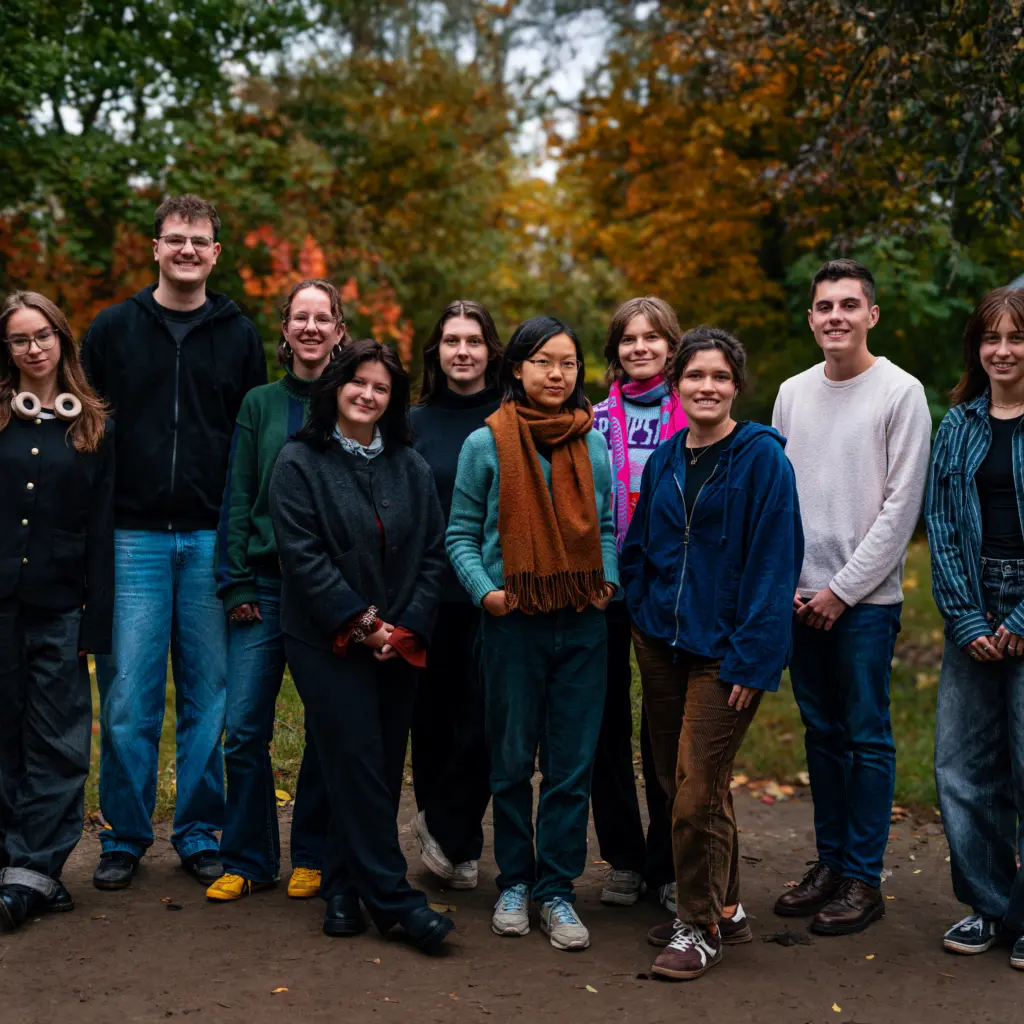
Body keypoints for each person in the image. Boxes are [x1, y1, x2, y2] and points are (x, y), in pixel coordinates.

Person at [82, 194, 268, 890]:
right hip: (131, 539)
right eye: (175, 238)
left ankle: (197, 832)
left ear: (216, 254)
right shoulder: (111, 330)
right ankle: (124, 837)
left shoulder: (239, 334)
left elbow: (250, 444)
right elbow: (87, 434)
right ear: (154, 247)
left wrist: (242, 538)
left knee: (208, 696)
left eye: (200, 240)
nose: (187, 249)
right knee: (129, 697)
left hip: (210, 537)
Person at [620, 326, 802, 980]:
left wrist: (755, 659)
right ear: (676, 385)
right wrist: (642, 611)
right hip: (663, 645)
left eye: (719, 377)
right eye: (695, 376)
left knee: (696, 791)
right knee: (682, 781)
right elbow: (638, 545)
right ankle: (726, 905)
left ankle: (697, 929)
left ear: (736, 386)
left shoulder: (762, 461)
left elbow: (774, 565)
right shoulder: (666, 458)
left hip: (725, 654)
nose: (706, 387)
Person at [269, 339, 453, 954]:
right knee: (354, 757)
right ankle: (396, 899)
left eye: (381, 388)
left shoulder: (410, 464)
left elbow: (432, 552)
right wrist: (363, 622)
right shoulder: (298, 461)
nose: (368, 395)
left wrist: (401, 629)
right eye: (358, 383)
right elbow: (303, 558)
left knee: (374, 764)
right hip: (326, 642)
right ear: (336, 387)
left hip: (400, 641)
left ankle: (344, 890)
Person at [447, 315, 618, 952]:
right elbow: (459, 534)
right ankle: (515, 882)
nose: (556, 373)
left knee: (571, 767)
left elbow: (605, 531)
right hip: (512, 625)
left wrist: (609, 582)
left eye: (568, 363)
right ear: (516, 368)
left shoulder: (592, 443)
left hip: (581, 624)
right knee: (512, 762)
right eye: (544, 361)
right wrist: (485, 592)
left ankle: (557, 890)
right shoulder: (484, 444)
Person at [772, 259, 931, 935]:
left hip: (865, 605)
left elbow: (900, 511)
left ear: (871, 314)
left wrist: (842, 591)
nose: (834, 316)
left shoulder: (901, 393)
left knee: (866, 736)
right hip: (798, 600)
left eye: (848, 305)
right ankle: (830, 864)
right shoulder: (791, 393)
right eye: (823, 306)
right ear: (810, 319)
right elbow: (778, 498)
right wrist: (790, 586)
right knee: (822, 735)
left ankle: (863, 879)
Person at [206, 279, 344, 903]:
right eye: (300, 318)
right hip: (261, 584)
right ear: (284, 330)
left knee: (325, 727)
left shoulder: (355, 400)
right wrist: (234, 580)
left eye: (323, 318)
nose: (311, 328)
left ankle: (312, 854)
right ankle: (249, 856)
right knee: (243, 728)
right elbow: (237, 497)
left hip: (326, 592)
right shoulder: (260, 404)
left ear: (339, 331)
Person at [0, 292, 114, 932]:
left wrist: (95, 621)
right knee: (3, 736)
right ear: (7, 350)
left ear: (62, 341)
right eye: (19, 339)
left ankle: (30, 873)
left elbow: (101, 532)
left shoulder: (92, 425)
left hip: (59, 609)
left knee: (59, 744)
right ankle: (20, 868)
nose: (33, 348)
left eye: (42, 335)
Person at [925, 286, 1024, 972]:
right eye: (992, 338)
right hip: (973, 599)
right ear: (976, 348)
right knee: (961, 766)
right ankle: (992, 905)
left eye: (1017, 338)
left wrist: (1022, 619)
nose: (1004, 350)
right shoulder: (957, 424)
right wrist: (965, 616)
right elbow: (941, 524)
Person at [591, 296, 684, 913]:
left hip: (667, 592)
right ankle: (623, 859)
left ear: (671, 347)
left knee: (665, 732)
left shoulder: (694, 412)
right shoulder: (594, 419)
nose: (641, 348)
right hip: (604, 589)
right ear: (615, 351)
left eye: (652, 338)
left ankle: (668, 862)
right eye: (629, 339)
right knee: (604, 727)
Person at [407, 300, 502, 890]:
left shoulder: (511, 417)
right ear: (436, 351)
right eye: (450, 341)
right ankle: (457, 848)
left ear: (491, 350)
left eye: (472, 340)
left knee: (485, 723)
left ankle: (447, 824)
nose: (461, 351)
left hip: (492, 596)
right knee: (432, 724)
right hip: (424, 593)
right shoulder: (411, 421)